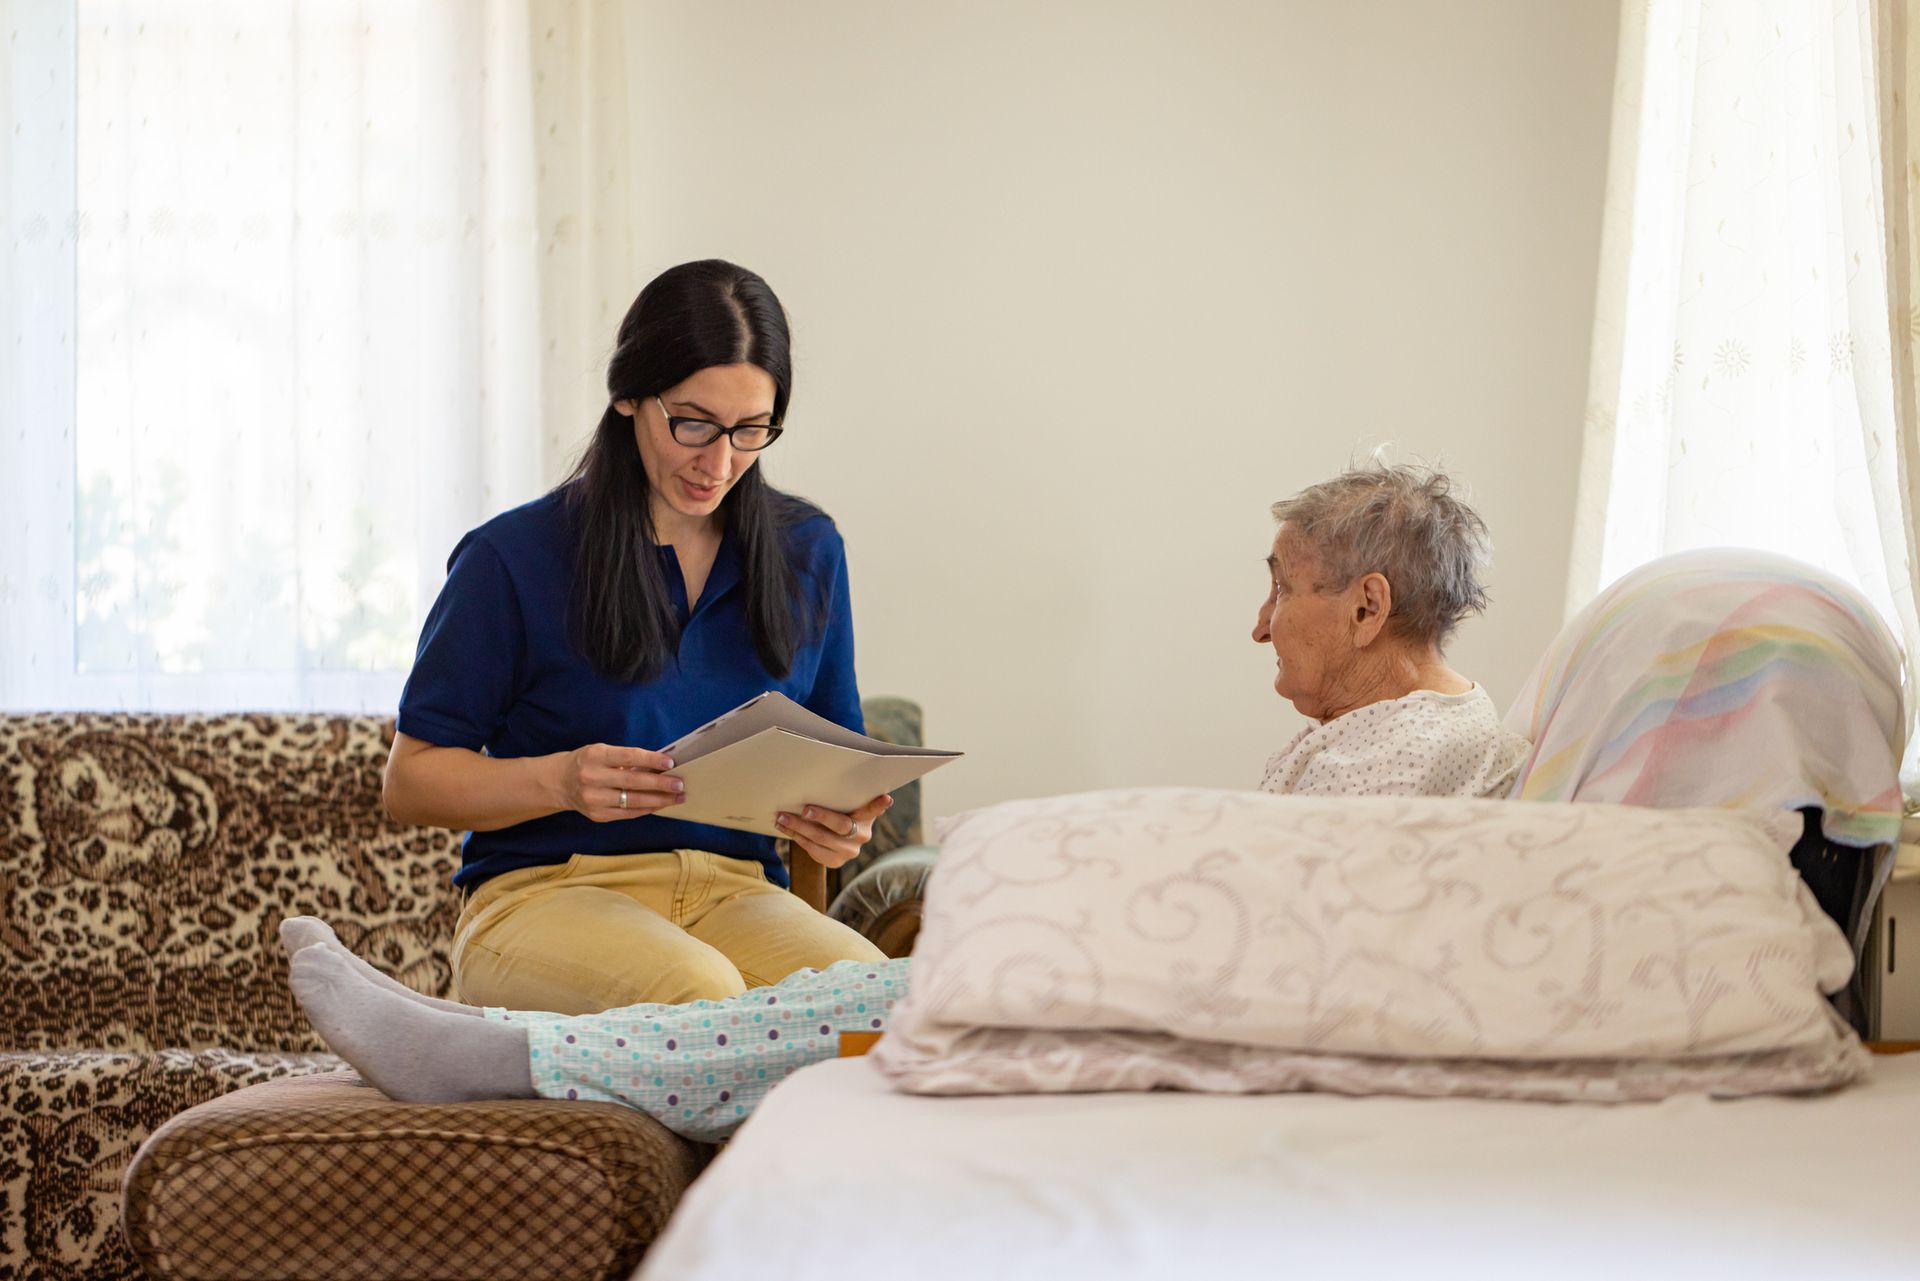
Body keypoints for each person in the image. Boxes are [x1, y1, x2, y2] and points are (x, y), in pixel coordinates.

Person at [287, 464, 1531, 1140]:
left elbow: (1262, 931)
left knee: (849, 1004)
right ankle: (490, 1048)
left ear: (1366, 608)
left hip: (1171, 1005)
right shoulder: (1398, 738)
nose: (1260, 621)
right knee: (848, 1006)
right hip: (1159, 985)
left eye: (1284, 590)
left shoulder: (1408, 750)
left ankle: (491, 1056)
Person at [384, 259, 887, 1016]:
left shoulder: (806, 550)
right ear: (628, 395)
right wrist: (559, 780)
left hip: (735, 894)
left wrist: (837, 829)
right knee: (701, 992)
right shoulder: (512, 559)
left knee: (876, 1000)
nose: (719, 463)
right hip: (547, 895)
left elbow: (831, 777)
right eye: (692, 423)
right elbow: (410, 781)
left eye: (751, 429)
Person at [1253, 463, 1529, 798]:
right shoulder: (1452, 727)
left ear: (1367, 608)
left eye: (1282, 589)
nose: (1261, 629)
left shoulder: (1378, 769)